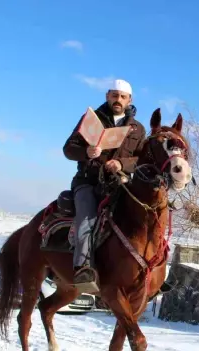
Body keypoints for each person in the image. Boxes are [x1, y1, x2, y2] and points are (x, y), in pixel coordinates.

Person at [63, 79, 146, 287]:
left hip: (120, 184)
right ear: (107, 96)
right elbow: (68, 149)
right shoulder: (91, 119)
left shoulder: (138, 129)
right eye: (114, 95)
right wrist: (86, 152)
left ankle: (147, 269)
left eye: (122, 96)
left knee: (143, 217)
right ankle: (83, 268)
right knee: (86, 220)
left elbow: (141, 160)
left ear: (130, 100)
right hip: (88, 182)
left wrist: (121, 163)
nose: (118, 100)